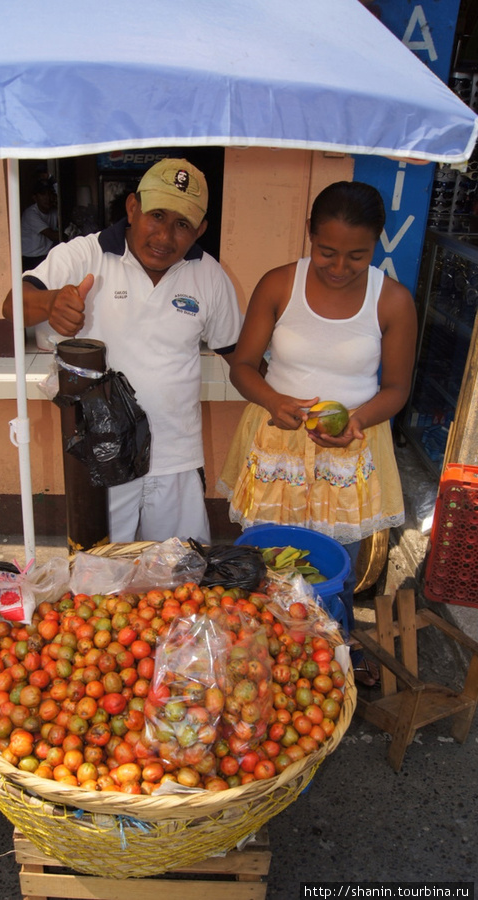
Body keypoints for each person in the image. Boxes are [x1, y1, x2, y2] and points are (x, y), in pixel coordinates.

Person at [217, 181, 417, 687]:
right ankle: (260, 648)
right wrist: (272, 399)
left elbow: (395, 388)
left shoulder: (391, 301)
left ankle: (333, 647)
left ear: (375, 245)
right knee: (266, 552)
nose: (339, 266)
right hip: (278, 441)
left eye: (357, 255)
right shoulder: (279, 284)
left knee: (334, 561)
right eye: (327, 251)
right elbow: (242, 365)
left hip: (349, 447)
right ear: (309, 235)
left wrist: (358, 419)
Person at [3, 157, 242, 544]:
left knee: (179, 580)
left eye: (182, 224)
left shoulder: (209, 275)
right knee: (102, 582)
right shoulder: (84, 256)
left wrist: (285, 397)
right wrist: (49, 304)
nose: (165, 236)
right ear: (132, 207)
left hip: (176, 457)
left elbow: (238, 356)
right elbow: (14, 304)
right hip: (101, 458)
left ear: (200, 230)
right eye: (157, 215)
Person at [20, 179, 59, 270]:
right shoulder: (31, 214)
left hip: (46, 255)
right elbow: (52, 235)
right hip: (31, 258)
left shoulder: (54, 211)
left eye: (50, 194)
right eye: (43, 194)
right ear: (35, 198)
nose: (47, 198)